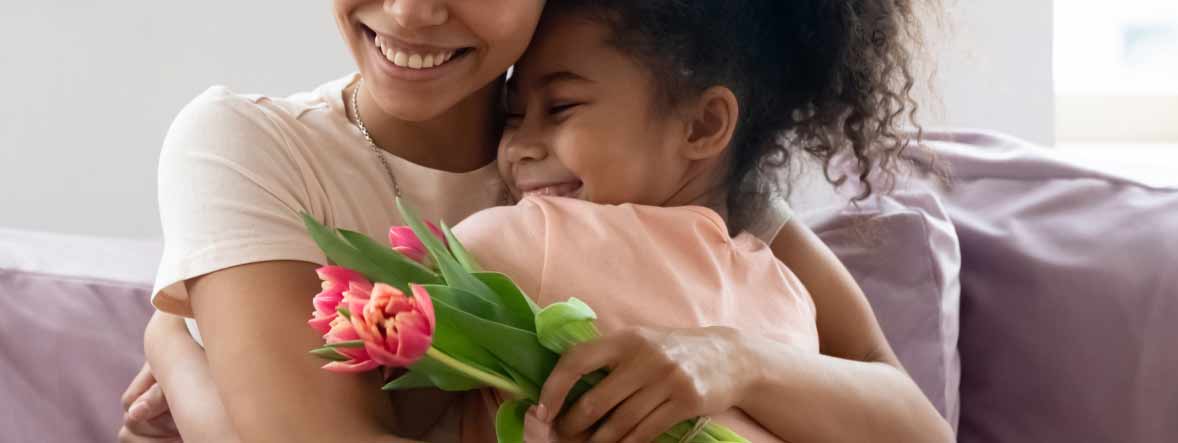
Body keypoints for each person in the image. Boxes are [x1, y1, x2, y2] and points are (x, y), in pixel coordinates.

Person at [119, 0, 950, 442]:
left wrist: (736, 362)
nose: (409, 13)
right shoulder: (246, 143)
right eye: (530, 112)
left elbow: (909, 423)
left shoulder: (652, 168)